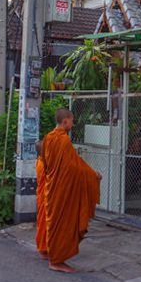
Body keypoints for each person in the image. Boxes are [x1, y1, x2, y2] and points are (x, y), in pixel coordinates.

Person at [39, 108, 101, 273]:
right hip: (62, 188)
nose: (72, 124)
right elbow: (74, 167)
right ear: (65, 120)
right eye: (72, 121)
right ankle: (57, 261)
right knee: (63, 223)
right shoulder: (63, 140)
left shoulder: (48, 138)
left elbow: (45, 163)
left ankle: (50, 252)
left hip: (51, 186)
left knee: (54, 222)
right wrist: (93, 175)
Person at [34, 140, 48, 259]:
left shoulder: (42, 161)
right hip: (45, 197)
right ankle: (43, 249)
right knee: (44, 223)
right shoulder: (42, 164)